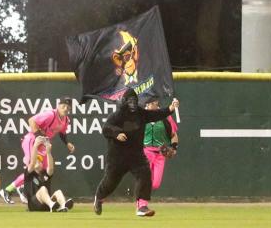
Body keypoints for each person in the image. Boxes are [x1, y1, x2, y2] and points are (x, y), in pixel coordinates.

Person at [92, 90, 180, 218]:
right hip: (117, 156)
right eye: (130, 101)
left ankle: (142, 206)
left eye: (134, 101)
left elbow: (156, 114)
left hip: (136, 155)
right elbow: (106, 128)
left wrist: (170, 108)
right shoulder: (117, 115)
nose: (132, 103)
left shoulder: (141, 113)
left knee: (145, 175)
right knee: (110, 182)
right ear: (124, 102)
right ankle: (99, 198)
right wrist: (116, 133)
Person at [1, 98, 76, 204]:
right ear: (58, 106)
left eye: (68, 107)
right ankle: (7, 190)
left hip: (43, 144)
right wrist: (38, 136)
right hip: (31, 141)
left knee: (43, 170)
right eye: (63, 106)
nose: (65, 108)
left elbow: (62, 132)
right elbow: (31, 120)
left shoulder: (65, 120)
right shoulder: (50, 115)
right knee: (34, 166)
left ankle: (24, 188)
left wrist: (67, 143)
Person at [22, 136, 73, 212]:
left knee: (58, 192)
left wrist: (48, 152)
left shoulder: (45, 174)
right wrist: (35, 145)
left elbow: (51, 168)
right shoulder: (29, 174)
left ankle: (63, 206)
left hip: (46, 204)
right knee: (43, 189)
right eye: (36, 160)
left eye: (40, 160)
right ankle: (52, 205)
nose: (38, 161)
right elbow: (32, 163)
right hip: (33, 205)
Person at [143, 93, 179, 191]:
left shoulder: (165, 117)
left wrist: (174, 147)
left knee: (155, 184)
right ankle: (141, 203)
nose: (149, 103)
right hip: (145, 152)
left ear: (156, 102)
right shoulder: (142, 115)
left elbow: (173, 135)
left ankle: (142, 193)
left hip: (160, 153)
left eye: (152, 101)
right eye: (148, 102)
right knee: (144, 180)